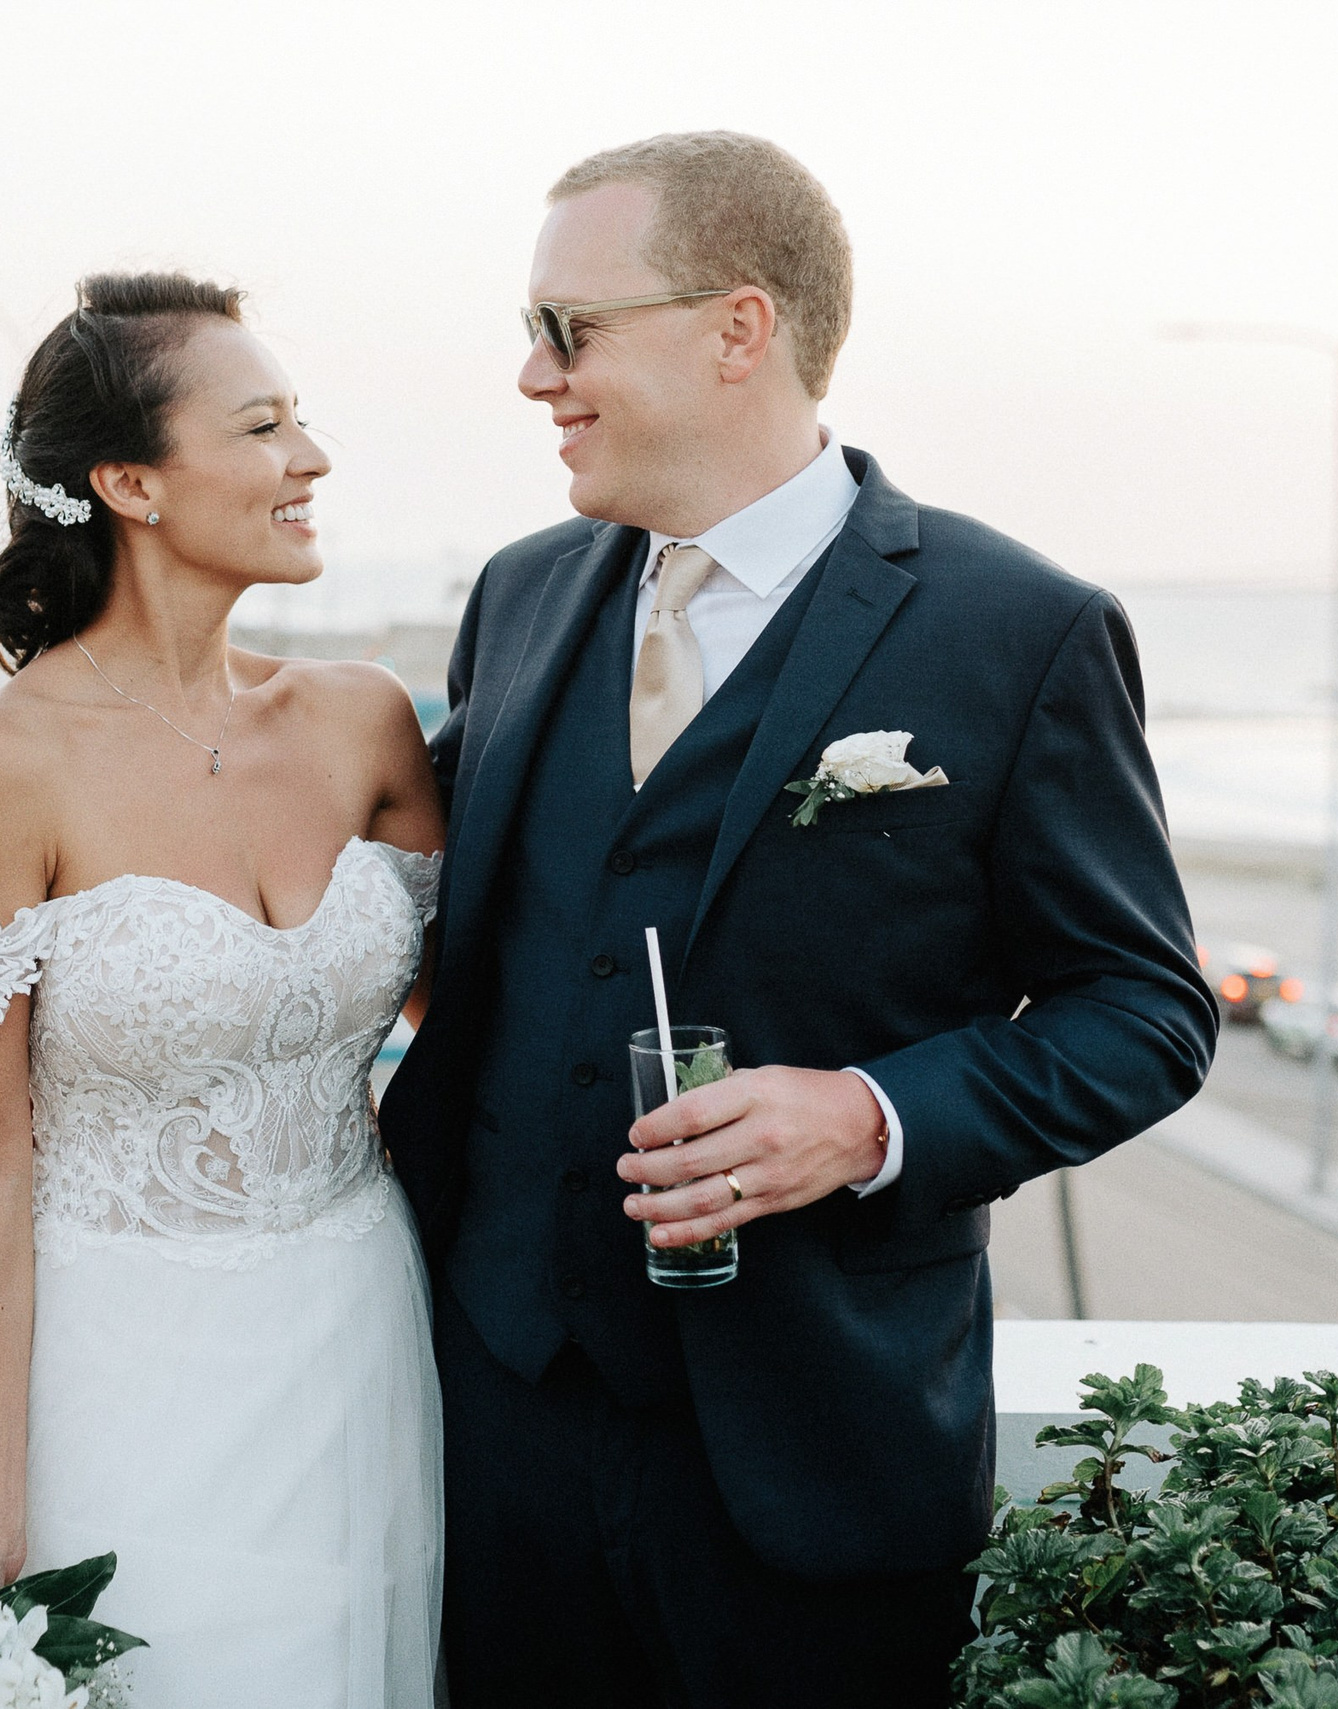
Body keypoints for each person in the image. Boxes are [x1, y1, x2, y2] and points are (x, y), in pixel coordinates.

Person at [377, 133, 1219, 1708]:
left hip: (820, 1455)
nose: (530, 376)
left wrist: (870, 1113)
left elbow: (1147, 1011)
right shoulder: (522, 594)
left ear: (738, 329)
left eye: (569, 330)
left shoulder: (1015, 630)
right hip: (501, 1427)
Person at [0, 272, 446, 1706]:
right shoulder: (2, 769)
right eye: (266, 427)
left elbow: (476, 1027)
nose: (312, 459)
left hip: (359, 1345)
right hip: (114, 1376)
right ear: (132, 482)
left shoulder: (367, 720)